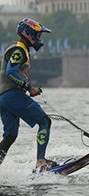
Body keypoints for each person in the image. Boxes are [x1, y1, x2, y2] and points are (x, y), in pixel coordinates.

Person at [0, 18, 54, 171]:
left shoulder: (20, 49)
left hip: (4, 98)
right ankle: (41, 162)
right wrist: (29, 88)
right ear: (28, 34)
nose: (39, 39)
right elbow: (11, 72)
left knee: (10, 136)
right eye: (37, 35)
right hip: (12, 95)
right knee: (45, 122)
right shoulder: (19, 50)